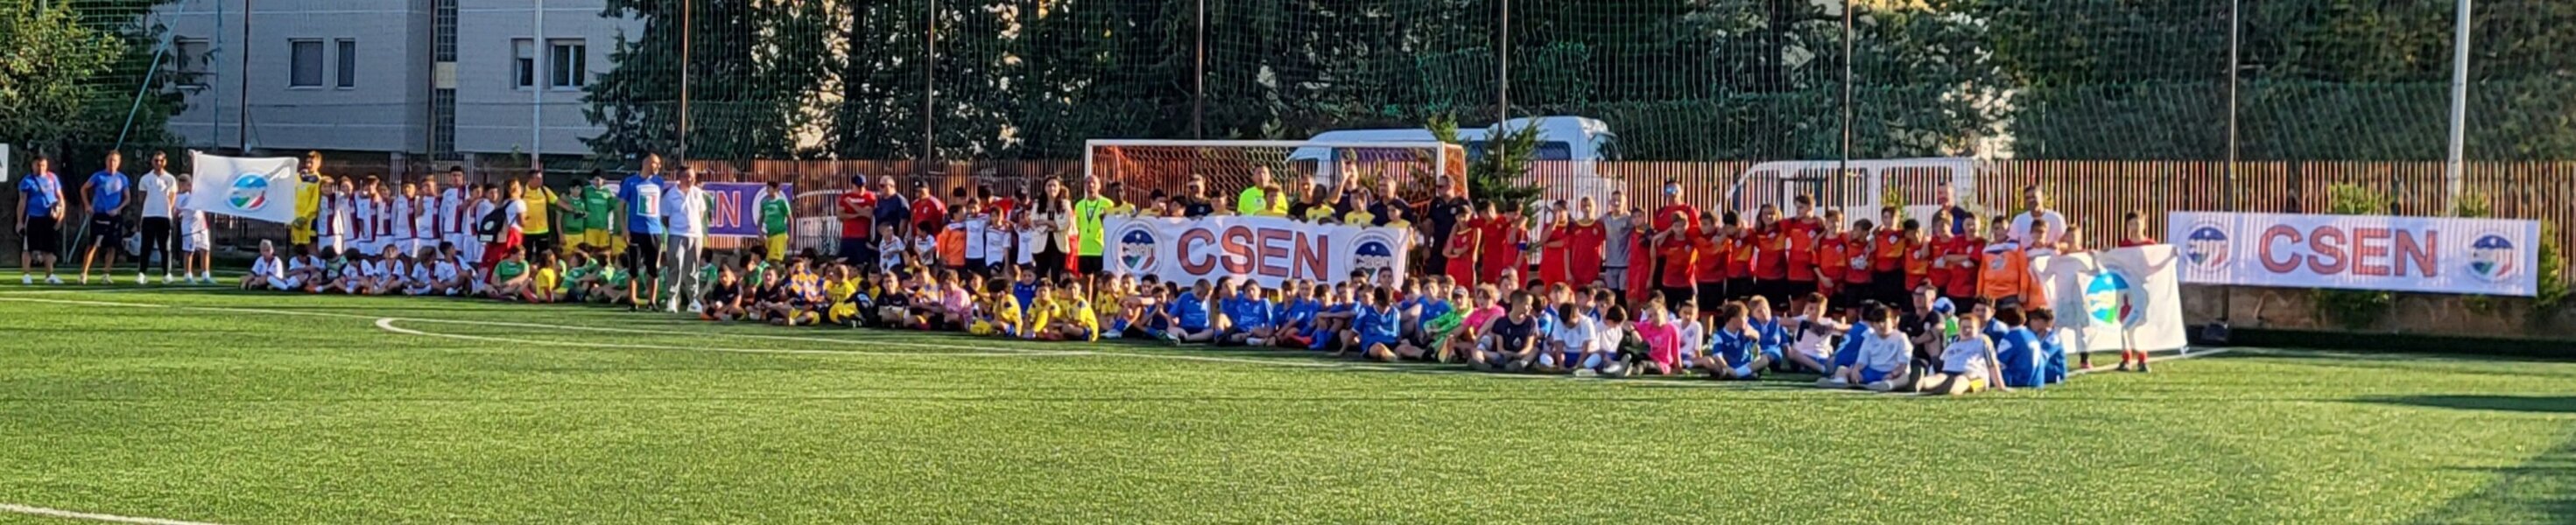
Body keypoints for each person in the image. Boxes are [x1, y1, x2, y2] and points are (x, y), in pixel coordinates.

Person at [1920, 304, 2004, 396]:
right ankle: (1922, 383)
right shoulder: (1953, 343)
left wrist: (2001, 386)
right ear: (1958, 329)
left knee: (1962, 380)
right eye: (1963, 327)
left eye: (1970, 327)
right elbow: (1942, 361)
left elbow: (1992, 364)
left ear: (1977, 329)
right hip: (1949, 372)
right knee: (1940, 377)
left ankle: (1950, 388)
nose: (1966, 330)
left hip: (1975, 375)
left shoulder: (1982, 340)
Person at [1826, 304, 1913, 392]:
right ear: (1872, 325)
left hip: (1889, 374)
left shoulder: (1901, 338)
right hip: (1871, 372)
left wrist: (1892, 374)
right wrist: (1856, 370)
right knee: (1842, 369)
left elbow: (1903, 364)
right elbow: (1862, 360)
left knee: (1904, 377)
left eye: (1883, 321)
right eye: (1877, 322)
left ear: (1893, 322)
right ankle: (1840, 381)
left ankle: (1888, 385)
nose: (1881, 325)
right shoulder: (1869, 337)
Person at [663, 168, 714, 313]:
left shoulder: (698, 193)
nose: (690, 180)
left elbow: (701, 213)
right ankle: (672, 299)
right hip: (676, 234)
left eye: (692, 177)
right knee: (675, 266)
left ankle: (693, 300)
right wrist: (676, 227)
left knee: (693, 268)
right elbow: (665, 217)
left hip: (695, 236)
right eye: (687, 177)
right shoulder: (670, 195)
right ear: (680, 177)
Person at [78, 150, 131, 284]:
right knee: (93, 244)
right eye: (110, 160)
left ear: (119, 163)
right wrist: (87, 205)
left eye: (115, 161)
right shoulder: (98, 176)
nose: (112, 163)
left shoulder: (122, 178)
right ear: (106, 161)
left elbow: (127, 198)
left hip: (114, 216)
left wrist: (118, 209)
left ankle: (106, 274)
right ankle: (84, 273)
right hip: (99, 214)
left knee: (112, 246)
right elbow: (84, 189)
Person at [619, 155, 672, 284]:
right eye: (656, 163)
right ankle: (632, 296)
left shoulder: (659, 182)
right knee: (633, 269)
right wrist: (624, 228)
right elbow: (621, 206)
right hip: (636, 231)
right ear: (647, 163)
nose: (659, 167)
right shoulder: (630, 182)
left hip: (655, 231)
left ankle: (652, 296)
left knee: (653, 270)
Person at [18, 155, 66, 284]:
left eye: (43, 165)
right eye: (38, 165)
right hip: (33, 217)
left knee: (49, 248)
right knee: (28, 248)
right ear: (33, 165)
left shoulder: (52, 178)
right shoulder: (27, 181)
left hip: (48, 218)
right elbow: (22, 201)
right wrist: (20, 221)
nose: (41, 168)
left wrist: (60, 217)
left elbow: (60, 198)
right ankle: (26, 275)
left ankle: (50, 275)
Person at [132, 151, 179, 284]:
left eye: (161, 160)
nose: (158, 163)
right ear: (152, 162)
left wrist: (168, 210)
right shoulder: (145, 178)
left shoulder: (170, 179)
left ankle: (166, 273)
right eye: (156, 160)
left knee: (165, 247)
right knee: (146, 246)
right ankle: (142, 273)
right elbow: (141, 197)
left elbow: (172, 197)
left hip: (164, 217)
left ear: (165, 162)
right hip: (148, 216)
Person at [1471, 291, 1543, 373]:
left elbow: (1529, 346)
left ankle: (1520, 364)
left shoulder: (1531, 321)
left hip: (1522, 355)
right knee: (1476, 351)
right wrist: (1507, 353)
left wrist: (1518, 355)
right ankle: (1480, 363)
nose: (1530, 307)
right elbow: (1500, 348)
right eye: (1527, 304)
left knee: (1535, 350)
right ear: (1516, 304)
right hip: (1504, 355)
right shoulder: (1502, 322)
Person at [1073, 176, 1117, 276]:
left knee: (1100, 278)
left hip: (1100, 247)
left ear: (1099, 186)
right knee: (1085, 278)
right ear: (1084, 186)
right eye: (1088, 183)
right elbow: (1078, 226)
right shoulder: (1079, 205)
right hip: (1084, 248)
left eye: (1094, 183)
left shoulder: (1108, 204)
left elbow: (1113, 225)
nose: (1091, 185)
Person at [172, 178, 214, 284]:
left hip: (201, 225)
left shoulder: (197, 195)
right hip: (189, 226)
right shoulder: (180, 197)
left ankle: (205, 275)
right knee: (189, 251)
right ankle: (188, 275)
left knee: (205, 249)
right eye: (185, 185)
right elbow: (178, 210)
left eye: (189, 184)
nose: (188, 187)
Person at [2009, 185, 2068, 250]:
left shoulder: (2056, 218)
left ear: (2042, 198)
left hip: (2051, 255)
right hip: (2027, 256)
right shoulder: (2019, 220)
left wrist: (2058, 246)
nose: (2031, 200)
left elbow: (2067, 244)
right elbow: (2012, 243)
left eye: (2034, 197)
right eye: (2027, 198)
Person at [1599, 192, 1635, 293]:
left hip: (1625, 263)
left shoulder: (1629, 219)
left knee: (1623, 293)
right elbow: (1591, 225)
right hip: (1610, 263)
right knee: (1611, 293)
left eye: (1619, 200)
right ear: (1610, 202)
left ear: (1625, 203)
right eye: (1614, 200)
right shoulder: (1605, 218)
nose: (1616, 203)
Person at [757, 181, 793, 262]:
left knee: (775, 261)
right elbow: (761, 218)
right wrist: (759, 232)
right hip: (769, 236)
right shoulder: (764, 203)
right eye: (767, 188)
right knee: (768, 261)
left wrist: (791, 237)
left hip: (779, 235)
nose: (767, 190)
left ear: (775, 189)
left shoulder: (782, 202)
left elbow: (790, 219)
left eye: (769, 188)